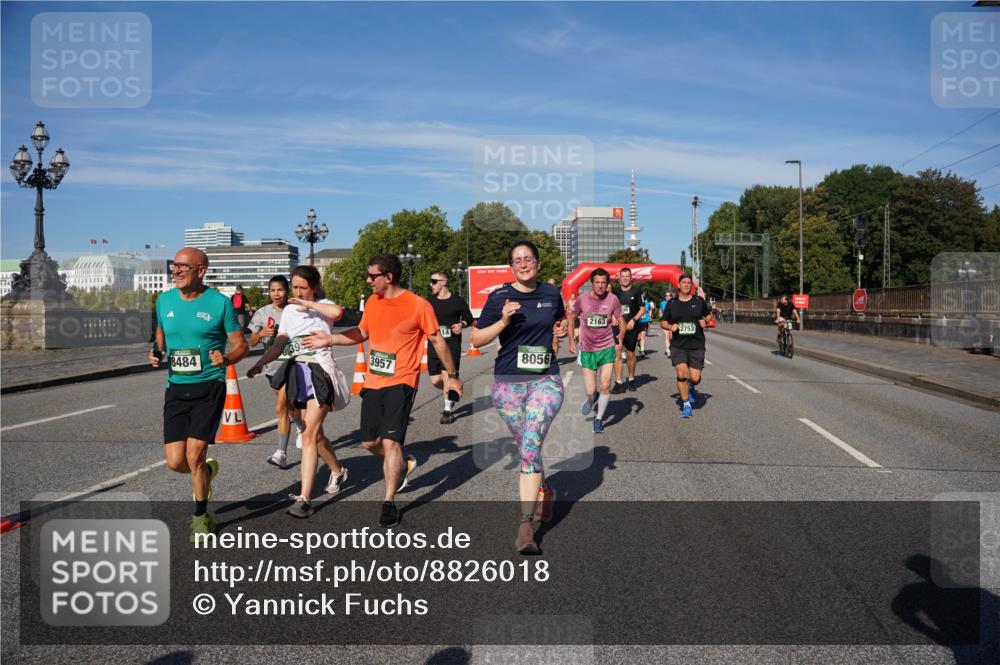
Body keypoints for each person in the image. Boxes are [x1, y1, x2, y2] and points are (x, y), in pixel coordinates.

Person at [303, 254, 462, 528]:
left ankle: (388, 501)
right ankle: (402, 464)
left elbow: (437, 341)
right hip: (374, 382)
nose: (367, 280)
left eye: (372, 275)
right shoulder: (374, 303)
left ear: (388, 277)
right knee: (369, 442)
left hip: (402, 382)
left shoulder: (418, 305)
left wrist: (453, 376)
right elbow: (361, 333)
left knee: (391, 443)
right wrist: (328, 339)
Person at [472, 240, 567, 555]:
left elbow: (560, 319)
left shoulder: (552, 294)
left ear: (538, 264)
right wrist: (502, 321)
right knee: (529, 447)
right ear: (511, 266)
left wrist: (561, 329)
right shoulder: (499, 296)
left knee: (529, 446)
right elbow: (476, 338)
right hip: (508, 384)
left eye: (528, 258)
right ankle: (544, 489)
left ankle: (526, 526)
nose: (523, 263)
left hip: (546, 381)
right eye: (517, 260)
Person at [148, 247, 247, 541]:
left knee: (194, 455)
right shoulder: (164, 300)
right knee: (176, 462)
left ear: (201, 270)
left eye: (183, 267)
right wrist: (157, 351)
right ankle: (205, 471)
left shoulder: (220, 304)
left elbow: (242, 344)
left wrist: (228, 359)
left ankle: (201, 516)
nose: (176, 271)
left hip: (209, 385)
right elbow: (161, 333)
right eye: (174, 266)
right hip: (176, 387)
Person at [247, 266, 349, 518]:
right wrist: (260, 363)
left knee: (309, 434)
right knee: (311, 433)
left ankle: (304, 498)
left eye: (303, 287)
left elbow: (337, 312)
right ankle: (337, 470)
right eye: (295, 287)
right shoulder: (290, 311)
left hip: (320, 371)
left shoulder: (323, 306)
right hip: (296, 371)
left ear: (314, 287)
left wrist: (309, 303)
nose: (298, 292)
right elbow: (281, 341)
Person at [248, 275, 303, 468]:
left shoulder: (294, 309)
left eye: (279, 290)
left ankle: (281, 453)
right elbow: (252, 341)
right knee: (289, 408)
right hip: (271, 367)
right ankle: (301, 426)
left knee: (281, 406)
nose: (276, 294)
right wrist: (261, 334)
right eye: (272, 290)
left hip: (291, 364)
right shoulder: (262, 313)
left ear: (286, 290)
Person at [568, 268, 623, 434]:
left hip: (606, 347)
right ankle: (591, 399)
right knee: (591, 391)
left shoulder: (613, 299)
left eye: (603, 283)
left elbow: (621, 319)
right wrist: (571, 340)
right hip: (587, 349)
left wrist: (620, 335)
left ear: (607, 284)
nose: (600, 286)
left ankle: (598, 419)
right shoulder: (582, 300)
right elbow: (571, 317)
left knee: (605, 384)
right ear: (592, 283)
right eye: (597, 282)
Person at [661, 274, 715, 418]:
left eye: (688, 283)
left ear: (691, 286)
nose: (686, 285)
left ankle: (691, 387)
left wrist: (705, 321)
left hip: (696, 344)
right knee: (681, 373)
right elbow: (663, 322)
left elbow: (709, 316)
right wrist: (670, 326)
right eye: (683, 282)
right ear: (678, 285)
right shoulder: (671, 303)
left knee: (695, 378)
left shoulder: (699, 301)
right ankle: (686, 404)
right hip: (678, 345)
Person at [427, 270, 474, 424]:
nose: (431, 284)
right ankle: (452, 388)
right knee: (435, 380)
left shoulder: (458, 301)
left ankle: (448, 411)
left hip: (452, 343)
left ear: (443, 282)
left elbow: (469, 318)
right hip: (434, 343)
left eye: (434, 281)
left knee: (448, 375)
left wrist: (461, 324)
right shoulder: (429, 301)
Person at [611, 267, 646, 393]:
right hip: (618, 326)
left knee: (631, 354)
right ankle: (619, 382)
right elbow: (610, 307)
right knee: (617, 352)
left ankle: (631, 379)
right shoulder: (614, 292)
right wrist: (612, 316)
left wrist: (634, 320)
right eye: (623, 276)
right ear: (619, 278)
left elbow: (642, 309)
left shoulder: (637, 291)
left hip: (632, 326)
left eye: (627, 276)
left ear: (631, 278)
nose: (625, 278)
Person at [659, 292, 672, 357]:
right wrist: (661, 318)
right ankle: (668, 350)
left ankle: (671, 348)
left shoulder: (674, 302)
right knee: (666, 336)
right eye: (666, 296)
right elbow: (661, 311)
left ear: (671, 296)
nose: (668, 297)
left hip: (672, 322)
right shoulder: (662, 303)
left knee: (671, 337)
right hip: (665, 322)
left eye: (669, 295)